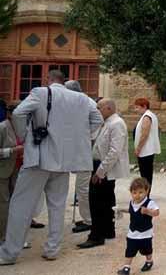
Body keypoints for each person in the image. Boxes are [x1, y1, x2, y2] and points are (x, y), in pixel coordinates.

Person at [0, 70, 102, 265]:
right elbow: (97, 120)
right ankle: (52, 249)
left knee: (21, 205)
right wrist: (77, 140)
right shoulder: (82, 99)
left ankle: (9, 252)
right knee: (57, 207)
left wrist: (27, 137)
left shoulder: (40, 93)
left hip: (39, 158)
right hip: (64, 161)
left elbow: (19, 112)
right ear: (64, 81)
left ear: (48, 79)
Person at [78, 99, 131, 249]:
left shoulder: (117, 124)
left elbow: (114, 151)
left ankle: (96, 235)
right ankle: (107, 230)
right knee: (106, 201)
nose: (97, 110)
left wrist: (100, 171)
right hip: (100, 165)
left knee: (97, 202)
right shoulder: (107, 122)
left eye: (99, 108)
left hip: (104, 167)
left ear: (108, 108)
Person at [64, 80, 94, 234]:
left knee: (83, 189)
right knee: (81, 189)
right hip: (80, 150)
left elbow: (95, 124)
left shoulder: (84, 102)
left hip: (84, 151)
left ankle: (89, 220)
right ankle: (87, 217)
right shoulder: (82, 101)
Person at [117, 177, 159, 275]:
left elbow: (157, 212)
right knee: (130, 249)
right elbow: (132, 211)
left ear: (147, 191)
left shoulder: (149, 203)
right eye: (134, 192)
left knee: (147, 250)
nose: (137, 195)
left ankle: (149, 261)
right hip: (133, 233)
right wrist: (121, 210)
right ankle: (126, 268)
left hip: (145, 233)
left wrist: (148, 211)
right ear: (131, 192)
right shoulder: (132, 202)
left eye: (141, 192)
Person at [0, 99, 24, 243]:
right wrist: (12, 150)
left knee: (17, 204)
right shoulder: (2, 128)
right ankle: (3, 236)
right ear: (10, 114)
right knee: (4, 204)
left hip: (19, 170)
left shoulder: (23, 128)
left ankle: (14, 236)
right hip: (3, 171)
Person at [133, 98, 161, 190]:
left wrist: (138, 148)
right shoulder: (150, 115)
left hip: (146, 150)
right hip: (147, 149)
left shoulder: (147, 117)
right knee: (146, 173)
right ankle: (145, 191)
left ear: (144, 106)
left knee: (145, 173)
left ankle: (145, 192)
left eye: (137, 107)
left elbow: (144, 134)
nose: (135, 110)